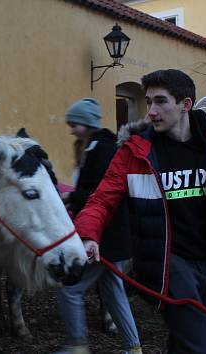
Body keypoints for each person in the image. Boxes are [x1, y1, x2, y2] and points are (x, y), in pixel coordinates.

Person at [75, 69, 206, 354]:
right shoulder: (134, 152)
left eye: (161, 101)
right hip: (167, 264)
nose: (152, 111)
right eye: (148, 102)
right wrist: (88, 234)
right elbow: (101, 200)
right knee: (199, 345)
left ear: (185, 104)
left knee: (186, 340)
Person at [55, 99, 142, 354]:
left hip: (104, 237)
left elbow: (101, 194)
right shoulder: (97, 146)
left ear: (88, 122)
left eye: (74, 124)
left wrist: (71, 197)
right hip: (108, 237)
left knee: (69, 288)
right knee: (114, 291)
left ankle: (77, 345)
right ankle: (134, 348)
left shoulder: (102, 148)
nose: (71, 129)